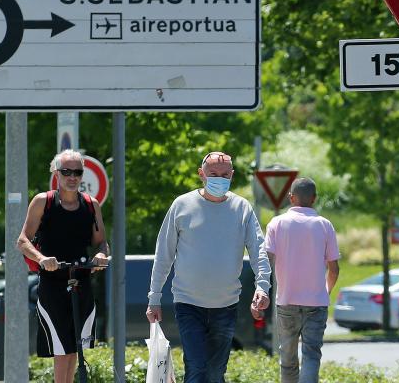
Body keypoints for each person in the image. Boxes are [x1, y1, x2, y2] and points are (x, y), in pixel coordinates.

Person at [146, 151, 271, 383]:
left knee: (215, 374)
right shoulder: (181, 205)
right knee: (196, 368)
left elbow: (259, 251)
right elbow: (163, 255)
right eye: (213, 174)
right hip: (188, 304)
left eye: (225, 175)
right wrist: (154, 297)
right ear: (201, 174)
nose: (219, 179)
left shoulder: (242, 208)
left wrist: (262, 287)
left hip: (226, 305)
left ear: (232, 175)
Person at [17, 149, 109, 383]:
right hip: (52, 283)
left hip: (81, 281)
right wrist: (42, 259)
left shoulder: (91, 205)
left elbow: (102, 243)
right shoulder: (42, 202)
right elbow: (22, 240)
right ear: (56, 173)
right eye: (66, 171)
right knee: (61, 348)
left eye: (77, 172)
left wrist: (100, 256)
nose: (72, 177)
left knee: (74, 348)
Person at [264, 177, 340, 383]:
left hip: (286, 301)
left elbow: (266, 263)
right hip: (316, 303)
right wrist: (325, 291)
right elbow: (334, 269)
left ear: (290, 197)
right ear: (314, 199)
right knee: (311, 356)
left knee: (287, 359)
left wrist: (262, 290)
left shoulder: (276, 224)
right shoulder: (325, 225)